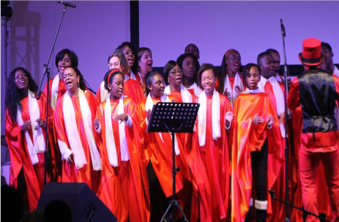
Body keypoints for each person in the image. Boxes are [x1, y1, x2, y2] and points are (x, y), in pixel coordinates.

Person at [287, 38, 339, 222]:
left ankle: (312, 220)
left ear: (304, 60)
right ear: (320, 58)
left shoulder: (297, 82)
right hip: (331, 136)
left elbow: (292, 105)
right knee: (334, 183)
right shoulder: (334, 80)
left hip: (309, 136)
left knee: (309, 184)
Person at [94, 69, 149, 222]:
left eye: (122, 84)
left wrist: (128, 119)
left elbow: (137, 128)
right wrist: (97, 127)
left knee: (129, 196)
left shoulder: (128, 103)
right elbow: (100, 136)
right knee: (112, 196)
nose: (120, 87)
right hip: (110, 161)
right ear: (109, 86)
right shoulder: (101, 108)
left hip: (127, 160)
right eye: (117, 84)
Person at [231, 63, 283, 222]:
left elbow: (273, 122)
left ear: (259, 77)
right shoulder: (241, 99)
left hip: (262, 146)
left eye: (255, 75)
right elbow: (237, 125)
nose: (252, 79)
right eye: (249, 76)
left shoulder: (265, 97)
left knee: (261, 184)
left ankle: (260, 218)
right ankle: (246, 217)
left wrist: (269, 124)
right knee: (247, 184)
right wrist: (249, 121)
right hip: (246, 147)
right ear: (245, 78)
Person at [137, 71, 189, 221]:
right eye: (158, 83)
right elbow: (138, 133)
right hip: (152, 154)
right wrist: (147, 121)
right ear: (149, 86)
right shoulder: (142, 106)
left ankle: (171, 218)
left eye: (162, 82)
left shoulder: (171, 100)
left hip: (169, 152)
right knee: (152, 188)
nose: (161, 85)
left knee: (171, 189)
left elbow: (180, 125)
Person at [5, 67, 51, 212]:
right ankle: (33, 214)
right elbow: (9, 131)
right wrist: (20, 129)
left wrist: (45, 122)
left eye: (24, 75)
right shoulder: (11, 108)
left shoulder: (40, 98)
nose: (21, 78)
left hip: (41, 151)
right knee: (30, 188)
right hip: (25, 154)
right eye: (17, 77)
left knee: (44, 184)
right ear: (13, 82)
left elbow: (51, 117)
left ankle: (45, 213)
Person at [194, 63, 234, 221]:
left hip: (218, 151)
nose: (207, 81)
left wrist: (227, 122)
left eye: (209, 77)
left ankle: (220, 216)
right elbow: (194, 126)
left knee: (218, 184)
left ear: (216, 80)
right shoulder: (196, 101)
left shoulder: (223, 100)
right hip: (202, 151)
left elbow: (230, 127)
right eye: (204, 78)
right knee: (205, 186)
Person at [54, 66, 102, 193]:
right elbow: (59, 129)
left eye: (70, 75)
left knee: (92, 188)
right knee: (76, 189)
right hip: (73, 154)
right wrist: (65, 151)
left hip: (89, 150)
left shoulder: (89, 97)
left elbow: (98, 120)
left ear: (78, 78)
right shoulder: (61, 102)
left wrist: (99, 127)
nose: (67, 78)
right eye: (64, 76)